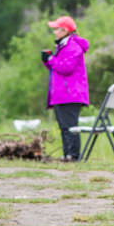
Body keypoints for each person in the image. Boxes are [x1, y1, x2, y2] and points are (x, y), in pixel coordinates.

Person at [42, 15, 90, 162]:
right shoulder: (63, 46)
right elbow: (57, 69)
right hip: (62, 94)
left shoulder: (73, 46)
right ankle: (67, 155)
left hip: (71, 94)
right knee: (64, 126)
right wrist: (47, 61)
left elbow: (66, 68)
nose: (54, 32)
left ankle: (73, 156)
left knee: (70, 126)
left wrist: (51, 59)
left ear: (65, 31)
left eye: (57, 29)